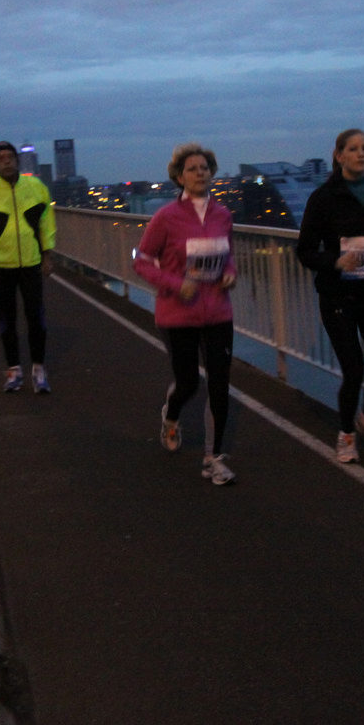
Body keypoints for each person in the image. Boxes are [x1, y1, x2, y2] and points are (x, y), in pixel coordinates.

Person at [296, 128, 364, 464]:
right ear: (339, 155)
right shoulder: (323, 198)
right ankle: (346, 435)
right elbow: (304, 251)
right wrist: (335, 261)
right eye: (353, 149)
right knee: (354, 371)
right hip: (338, 297)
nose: (360, 154)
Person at [133, 143, 238, 486]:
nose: (200, 173)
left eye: (205, 167)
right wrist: (178, 285)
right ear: (180, 177)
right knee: (189, 382)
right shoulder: (166, 217)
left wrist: (230, 273)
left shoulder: (223, 215)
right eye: (192, 169)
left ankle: (213, 458)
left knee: (219, 383)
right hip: (178, 314)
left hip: (218, 312)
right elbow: (142, 262)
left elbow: (228, 255)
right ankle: (171, 415)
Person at [0, 140, 57, 393]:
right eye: (1, 158)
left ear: (17, 160)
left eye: (10, 157)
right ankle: (13, 370)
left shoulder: (36, 188)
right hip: (0, 265)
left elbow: (47, 224)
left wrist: (47, 255)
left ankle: (38, 369)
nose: (6, 161)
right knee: (7, 319)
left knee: (36, 318)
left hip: (31, 263)